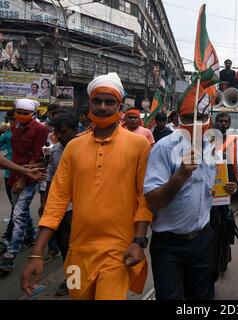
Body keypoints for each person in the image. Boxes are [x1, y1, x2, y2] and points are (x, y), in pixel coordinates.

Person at [21, 72, 152, 300]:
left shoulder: (139, 145)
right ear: (89, 103)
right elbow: (57, 200)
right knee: (76, 296)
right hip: (76, 254)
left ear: (119, 106)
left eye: (109, 102)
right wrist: (36, 252)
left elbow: (144, 198)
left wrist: (139, 241)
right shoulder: (74, 147)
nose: (103, 107)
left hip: (118, 251)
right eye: (97, 101)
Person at [144, 84, 216, 300]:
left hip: (203, 240)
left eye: (202, 116)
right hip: (169, 245)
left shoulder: (209, 146)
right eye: (189, 117)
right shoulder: (164, 148)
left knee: (202, 297)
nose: (196, 123)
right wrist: (180, 176)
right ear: (177, 119)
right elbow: (153, 202)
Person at [0, 99, 49, 273]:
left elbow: (36, 157)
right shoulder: (13, 127)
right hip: (14, 174)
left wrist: (23, 178)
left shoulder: (41, 129)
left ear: (33, 114)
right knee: (18, 209)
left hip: (31, 176)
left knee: (19, 212)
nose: (20, 115)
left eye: (25, 113)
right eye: (18, 112)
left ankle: (10, 255)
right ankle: (31, 235)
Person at [38, 112, 78, 296]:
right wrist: (45, 201)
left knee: (75, 247)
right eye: (57, 132)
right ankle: (73, 281)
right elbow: (51, 177)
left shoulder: (84, 148)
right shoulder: (55, 150)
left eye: (63, 132)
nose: (59, 136)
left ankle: (77, 281)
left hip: (80, 208)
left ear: (74, 130)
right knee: (65, 246)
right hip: (61, 207)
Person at [209, 111, 238, 297]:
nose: (223, 123)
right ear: (214, 122)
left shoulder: (233, 142)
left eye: (226, 121)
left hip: (224, 195)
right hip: (207, 195)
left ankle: (220, 261)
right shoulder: (205, 138)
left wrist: (237, 185)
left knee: (222, 230)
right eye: (220, 120)